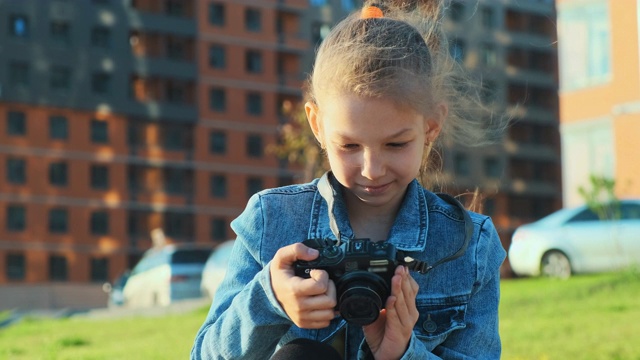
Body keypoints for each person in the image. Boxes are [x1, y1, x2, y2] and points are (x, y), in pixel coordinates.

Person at [192, 1, 506, 359]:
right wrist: (270, 299)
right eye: (350, 145)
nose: (372, 168)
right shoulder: (271, 221)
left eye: (396, 144)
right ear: (317, 125)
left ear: (431, 126)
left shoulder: (469, 249)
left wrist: (403, 352)